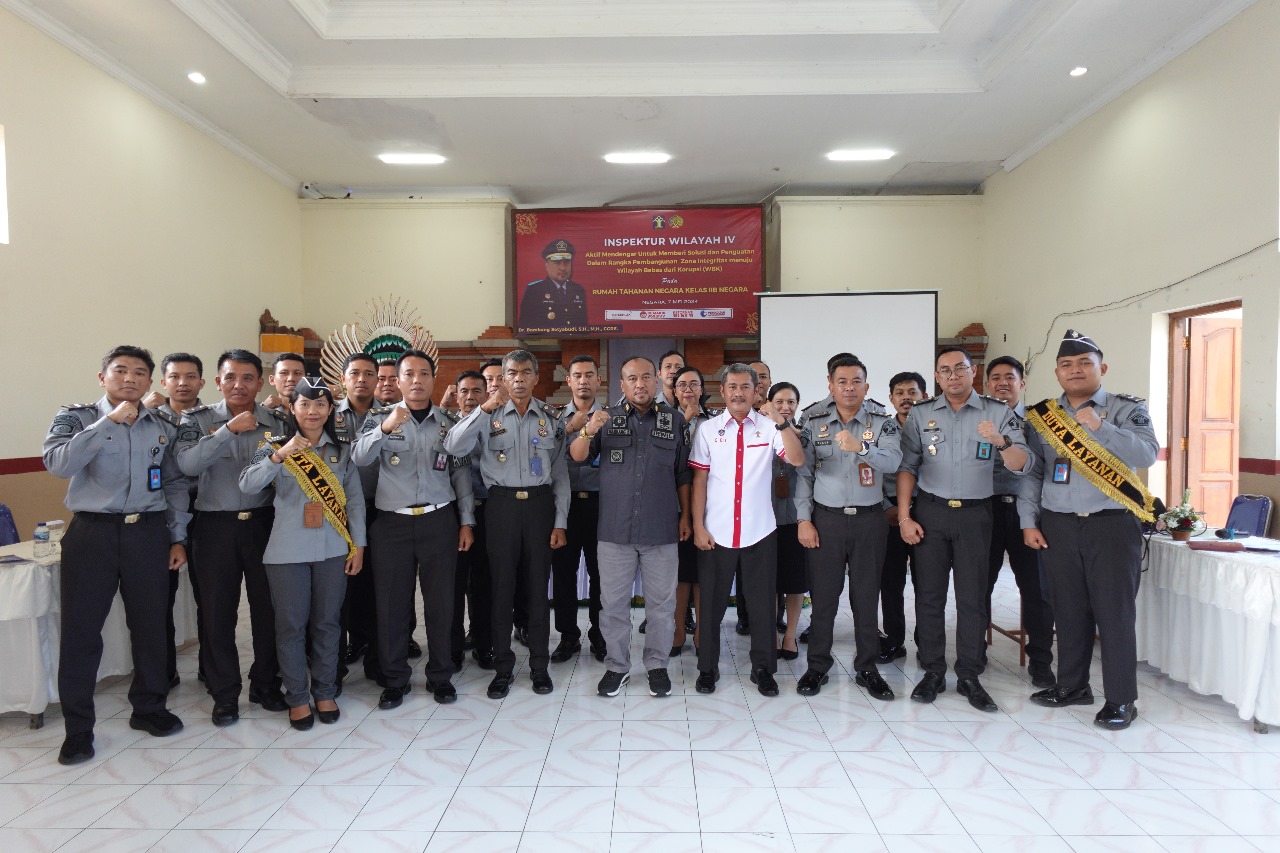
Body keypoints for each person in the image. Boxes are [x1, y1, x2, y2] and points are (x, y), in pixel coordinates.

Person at [43, 345, 190, 765]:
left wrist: (177, 536)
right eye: (121, 370)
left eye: (140, 372)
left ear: (149, 381)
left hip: (148, 532)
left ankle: (149, 707)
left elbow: (175, 483)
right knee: (82, 633)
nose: (130, 378)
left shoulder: (161, 423)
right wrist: (107, 423)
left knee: (150, 626)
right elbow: (58, 464)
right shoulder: (77, 418)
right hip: (93, 534)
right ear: (102, 376)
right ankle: (78, 730)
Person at [1019, 330, 1158, 730]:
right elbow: (1033, 473)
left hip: (1112, 525)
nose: (1075, 370)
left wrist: (1101, 428)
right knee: (1068, 609)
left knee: (1114, 614)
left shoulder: (1125, 409)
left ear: (1102, 368)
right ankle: (1073, 686)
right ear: (1057, 372)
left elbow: (1147, 453)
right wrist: (1029, 522)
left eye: (1084, 363)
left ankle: (1120, 699)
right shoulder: (1043, 416)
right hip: (1058, 525)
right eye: (1066, 365)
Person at [897, 347, 1029, 713]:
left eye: (960, 369)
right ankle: (933, 670)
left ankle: (969, 673)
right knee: (929, 596)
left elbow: (1022, 463)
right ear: (937, 377)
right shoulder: (922, 414)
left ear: (974, 373)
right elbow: (908, 466)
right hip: (931, 513)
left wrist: (1000, 441)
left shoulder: (998, 412)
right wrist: (905, 516)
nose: (953, 376)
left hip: (976, 515)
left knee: (972, 597)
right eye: (945, 371)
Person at [239, 377, 366, 730]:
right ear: (293, 408)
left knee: (328, 624)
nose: (313, 411)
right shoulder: (274, 445)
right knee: (291, 627)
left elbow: (353, 500)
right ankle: (297, 696)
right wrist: (280, 456)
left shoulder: (341, 451)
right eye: (305, 404)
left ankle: (325, 691)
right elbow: (248, 484)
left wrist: (358, 545)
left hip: (332, 548)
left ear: (329, 410)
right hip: (287, 552)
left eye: (321, 405)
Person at [443, 349, 570, 699]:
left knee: (536, 591)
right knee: (501, 590)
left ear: (535, 377)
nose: (517, 379)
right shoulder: (487, 415)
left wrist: (560, 521)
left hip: (541, 506)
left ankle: (540, 667)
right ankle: (502, 668)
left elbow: (559, 474)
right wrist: (482, 409)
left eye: (525, 372)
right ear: (500, 378)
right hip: (500, 508)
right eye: (510, 373)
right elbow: (454, 448)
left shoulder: (550, 417)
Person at [352, 351, 473, 707]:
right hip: (392, 523)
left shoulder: (449, 423)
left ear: (434, 380)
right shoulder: (378, 419)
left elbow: (460, 474)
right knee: (391, 604)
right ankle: (394, 678)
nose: (417, 380)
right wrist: (387, 426)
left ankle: (440, 675)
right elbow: (359, 458)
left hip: (438, 520)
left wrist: (466, 521)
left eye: (424, 373)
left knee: (441, 603)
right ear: (396, 381)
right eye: (409, 374)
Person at [175, 349, 290, 725]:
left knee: (268, 610)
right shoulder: (198, 420)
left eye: (247, 378)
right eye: (230, 378)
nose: (238, 385)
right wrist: (227, 431)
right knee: (217, 613)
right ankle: (224, 694)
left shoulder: (276, 421)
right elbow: (188, 464)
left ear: (260, 383)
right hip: (214, 527)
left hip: (264, 524)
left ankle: (265, 684)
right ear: (218, 381)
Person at [571, 356, 691, 697]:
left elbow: (683, 474)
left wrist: (685, 517)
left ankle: (656, 666)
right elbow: (578, 455)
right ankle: (617, 666)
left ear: (656, 382)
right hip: (615, 532)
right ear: (621, 385)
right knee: (613, 607)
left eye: (646, 377)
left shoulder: (675, 420)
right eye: (631, 378)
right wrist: (587, 429)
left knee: (661, 607)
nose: (639, 384)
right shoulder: (605, 419)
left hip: (661, 530)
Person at [690, 364, 804, 696]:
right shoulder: (709, 430)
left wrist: (781, 422)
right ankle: (707, 668)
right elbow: (699, 482)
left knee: (763, 606)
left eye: (745, 387)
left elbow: (796, 459)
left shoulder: (770, 428)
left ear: (756, 391)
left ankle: (763, 669)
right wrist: (698, 526)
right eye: (732, 386)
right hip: (716, 532)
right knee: (710, 606)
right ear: (723, 391)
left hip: (760, 532)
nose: (739, 392)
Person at [794, 356, 902, 699]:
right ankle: (817, 667)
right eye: (842, 381)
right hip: (826, 519)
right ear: (830, 384)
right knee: (824, 597)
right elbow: (804, 474)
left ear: (866, 386)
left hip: (870, 520)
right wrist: (804, 519)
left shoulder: (882, 422)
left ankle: (867, 667)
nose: (849, 388)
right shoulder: (813, 420)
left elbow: (893, 461)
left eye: (856, 381)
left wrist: (862, 447)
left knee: (866, 597)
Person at [984, 356, 1055, 688]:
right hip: (985, 511)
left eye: (1009, 377)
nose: (1002, 383)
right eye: (995, 377)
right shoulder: (978, 418)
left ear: (1021, 384)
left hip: (1029, 515)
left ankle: (1041, 659)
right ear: (985, 385)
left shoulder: (1040, 422)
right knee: (978, 585)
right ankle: (975, 651)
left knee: (1037, 589)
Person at [144, 352, 206, 690]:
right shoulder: (148, 418)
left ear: (202, 381)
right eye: (175, 376)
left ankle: (209, 668)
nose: (183, 383)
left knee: (207, 595)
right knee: (159, 598)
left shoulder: (211, 419)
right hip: (157, 512)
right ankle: (163, 670)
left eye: (190, 376)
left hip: (203, 510)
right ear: (163, 382)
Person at [550, 355, 607, 662]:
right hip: (565, 505)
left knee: (602, 575)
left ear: (599, 380)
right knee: (563, 573)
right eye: (577, 375)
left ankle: (599, 634)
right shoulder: (555, 419)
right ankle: (568, 636)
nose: (583, 380)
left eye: (589, 374)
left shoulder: (612, 418)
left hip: (602, 506)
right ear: (569, 381)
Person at [333, 352, 383, 683]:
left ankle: (378, 658)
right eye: (355, 373)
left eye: (368, 373)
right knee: (338, 589)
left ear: (378, 380)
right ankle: (336, 662)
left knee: (378, 587)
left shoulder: (391, 415)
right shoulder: (324, 413)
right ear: (344, 378)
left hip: (379, 507)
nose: (361, 379)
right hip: (335, 511)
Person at [878, 371, 926, 664]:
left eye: (913, 391)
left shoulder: (933, 425)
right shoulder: (882, 428)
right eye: (900, 392)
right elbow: (868, 471)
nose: (906, 397)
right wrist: (885, 506)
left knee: (926, 581)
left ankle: (927, 643)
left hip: (927, 508)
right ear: (891, 398)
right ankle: (895, 640)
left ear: (923, 395)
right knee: (890, 580)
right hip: (889, 511)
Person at [481, 357, 529, 647]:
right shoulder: (482, 415)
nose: (496, 384)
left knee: (526, 573)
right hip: (491, 506)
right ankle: (489, 637)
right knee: (493, 578)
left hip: (524, 504)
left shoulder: (534, 415)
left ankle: (523, 626)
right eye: (491, 379)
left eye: (502, 377)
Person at [450, 370, 496, 668]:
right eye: (464, 391)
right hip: (452, 514)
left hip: (489, 510)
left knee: (485, 581)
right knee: (452, 583)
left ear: (486, 394)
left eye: (477, 391)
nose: (470, 397)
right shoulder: (446, 426)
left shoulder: (496, 425)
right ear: (456, 395)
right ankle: (452, 647)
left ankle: (483, 641)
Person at [671, 365, 715, 654]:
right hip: (672, 507)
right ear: (674, 391)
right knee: (677, 574)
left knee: (702, 573)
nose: (688, 390)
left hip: (709, 507)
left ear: (702, 389)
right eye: (682, 385)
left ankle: (702, 632)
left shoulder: (715, 422)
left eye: (694, 384)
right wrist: (682, 423)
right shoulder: (666, 421)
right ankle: (676, 632)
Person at [766, 382, 806, 661]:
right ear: (769, 404)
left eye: (791, 402)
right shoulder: (759, 432)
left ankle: (790, 635)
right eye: (779, 402)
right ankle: (769, 633)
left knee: (794, 582)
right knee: (767, 583)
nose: (785, 407)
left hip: (795, 520)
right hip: (764, 520)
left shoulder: (804, 435)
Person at [519, 239, 588, 330]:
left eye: (566, 262)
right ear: (547, 265)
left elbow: (583, 328)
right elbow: (525, 329)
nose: (563, 268)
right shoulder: (535, 290)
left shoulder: (578, 290)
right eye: (557, 262)